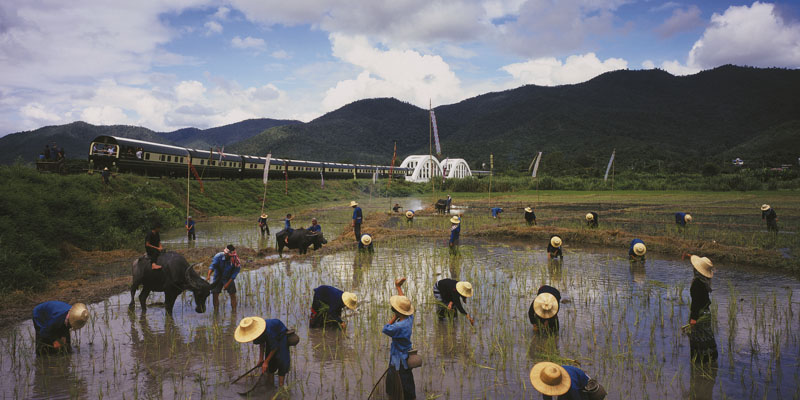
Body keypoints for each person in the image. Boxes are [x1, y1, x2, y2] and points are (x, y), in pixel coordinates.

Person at [234, 317, 293, 388]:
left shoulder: (268, 331)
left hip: (280, 335)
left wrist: (266, 362)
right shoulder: (257, 333)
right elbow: (261, 343)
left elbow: (275, 348)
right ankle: (270, 385)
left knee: (282, 360)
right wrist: (261, 359)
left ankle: (281, 386)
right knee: (271, 363)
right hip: (271, 338)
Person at [383, 277, 416, 400]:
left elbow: (385, 328)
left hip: (398, 358)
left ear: (397, 312)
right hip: (407, 354)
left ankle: (396, 395)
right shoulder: (409, 319)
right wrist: (399, 288)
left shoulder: (397, 327)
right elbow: (405, 305)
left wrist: (393, 317)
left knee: (397, 379)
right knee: (407, 378)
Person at [687, 254, 718, 363]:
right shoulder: (705, 281)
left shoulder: (697, 283)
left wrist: (693, 319)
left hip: (699, 315)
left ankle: (698, 363)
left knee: (697, 339)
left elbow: (696, 303)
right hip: (706, 313)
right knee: (707, 337)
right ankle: (710, 361)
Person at [206, 245, 241, 313]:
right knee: (215, 293)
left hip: (228, 278)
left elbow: (235, 273)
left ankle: (234, 312)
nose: (231, 257)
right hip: (217, 277)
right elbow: (212, 266)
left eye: (232, 256)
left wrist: (227, 284)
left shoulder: (236, 260)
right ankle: (216, 311)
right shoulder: (218, 256)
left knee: (232, 294)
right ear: (226, 254)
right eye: (229, 256)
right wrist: (208, 275)